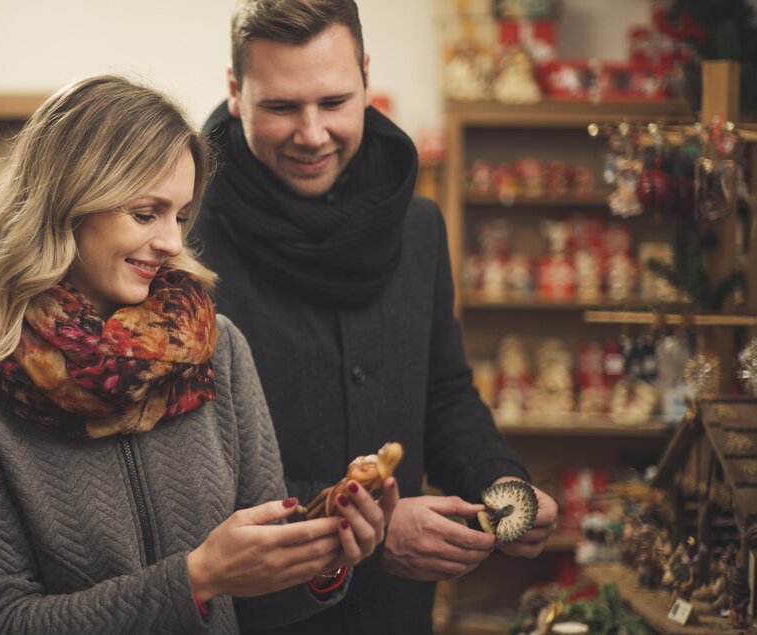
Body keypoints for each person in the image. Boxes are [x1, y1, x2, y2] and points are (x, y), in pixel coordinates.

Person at [0, 75, 398, 634]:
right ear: (66, 206)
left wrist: (321, 557)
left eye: (180, 216)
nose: (171, 242)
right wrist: (195, 579)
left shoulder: (216, 348)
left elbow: (254, 594)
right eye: (146, 213)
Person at [189, 2, 559, 633]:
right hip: (254, 616)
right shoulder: (183, 239)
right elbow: (187, 466)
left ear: (365, 76)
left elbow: (441, 393)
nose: (311, 133)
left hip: (394, 614)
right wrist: (366, 530)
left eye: (333, 101)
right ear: (234, 93)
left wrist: (501, 482)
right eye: (281, 107)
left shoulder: (419, 227)